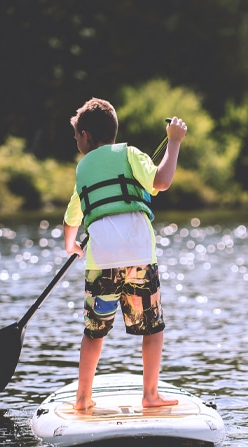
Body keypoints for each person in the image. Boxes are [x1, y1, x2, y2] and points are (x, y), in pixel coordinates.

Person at [62, 97, 187, 410]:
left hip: (101, 262)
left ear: (86, 136)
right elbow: (162, 180)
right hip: (140, 258)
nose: (76, 140)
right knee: (152, 328)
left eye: (76, 135)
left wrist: (70, 245)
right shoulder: (130, 154)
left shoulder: (82, 169)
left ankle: (82, 399)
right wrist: (173, 143)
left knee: (94, 333)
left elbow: (72, 217)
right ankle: (150, 395)